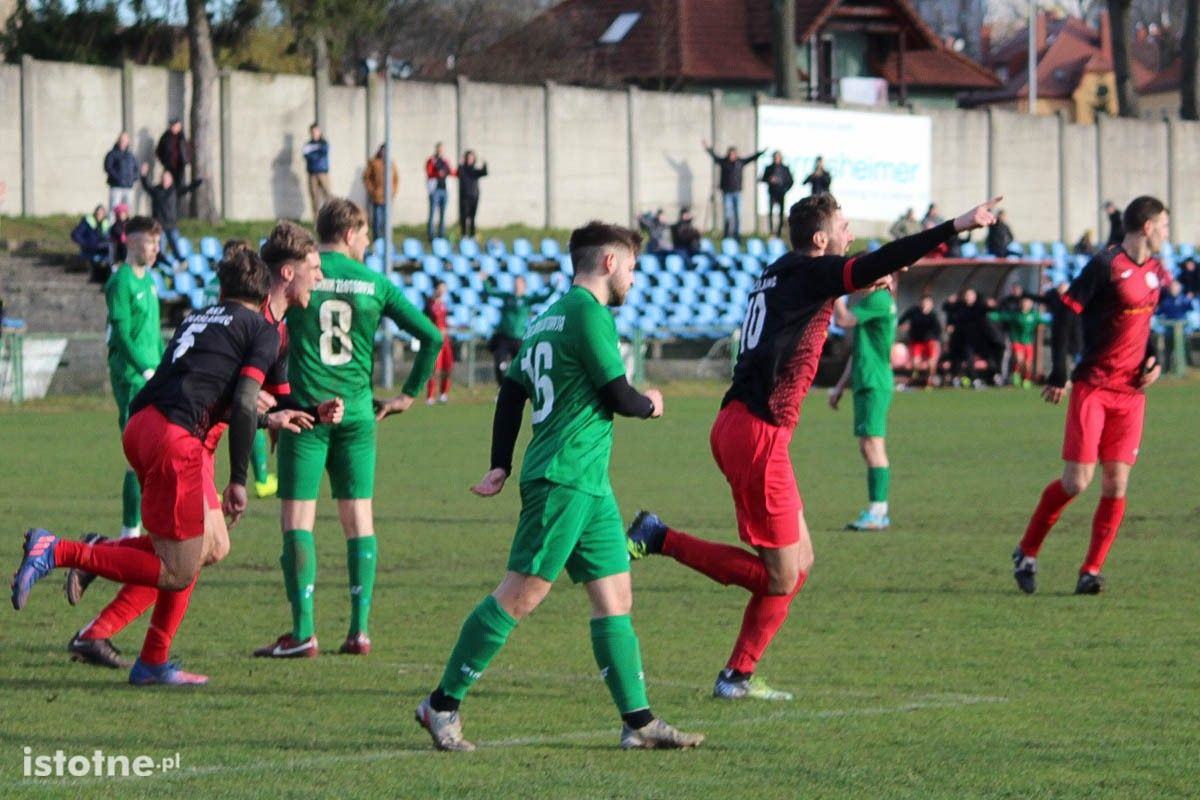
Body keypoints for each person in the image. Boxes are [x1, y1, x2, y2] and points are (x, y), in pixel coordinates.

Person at [626, 193, 999, 700]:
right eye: (844, 225)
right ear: (820, 238)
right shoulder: (811, 272)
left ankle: (737, 675)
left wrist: (875, 273)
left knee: (799, 562)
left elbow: (837, 288)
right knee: (780, 577)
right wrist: (957, 224)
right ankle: (661, 538)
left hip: (743, 426)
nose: (850, 234)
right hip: (757, 432)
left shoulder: (783, 271)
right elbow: (876, 261)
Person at [414, 221, 703, 752]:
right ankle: (441, 704)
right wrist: (652, 403)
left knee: (616, 595)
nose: (634, 281)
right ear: (610, 263)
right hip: (563, 477)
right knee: (522, 593)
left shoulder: (547, 314)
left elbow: (512, 392)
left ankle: (637, 723)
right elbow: (618, 395)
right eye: (632, 269)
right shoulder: (587, 314)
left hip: (589, 483)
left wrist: (500, 461)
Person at [12, 247, 316, 685]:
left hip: (141, 426)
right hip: (178, 440)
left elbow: (211, 387)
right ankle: (61, 551)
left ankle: (151, 656)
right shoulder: (262, 328)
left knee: (209, 548)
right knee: (175, 568)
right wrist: (238, 480)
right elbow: (245, 400)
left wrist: (282, 414)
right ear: (267, 287)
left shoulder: (199, 316)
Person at [255, 197, 443, 659]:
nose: (369, 243)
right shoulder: (374, 283)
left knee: (298, 520)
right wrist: (408, 393)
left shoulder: (305, 274)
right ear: (352, 232)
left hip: (306, 412)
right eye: (366, 235)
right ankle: (359, 631)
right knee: (358, 518)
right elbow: (433, 337)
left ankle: (304, 632)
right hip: (359, 415)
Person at [1012, 196, 1170, 596]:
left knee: (1116, 484)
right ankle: (1027, 550)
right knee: (1077, 481)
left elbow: (1143, 325)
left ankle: (1091, 570)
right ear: (1147, 227)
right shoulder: (1105, 265)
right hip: (1095, 387)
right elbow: (1066, 310)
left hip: (1131, 394)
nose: (1168, 233)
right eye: (1164, 225)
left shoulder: (1154, 271)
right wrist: (1061, 371)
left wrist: (1153, 359)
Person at [102, 215, 164, 542]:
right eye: (150, 242)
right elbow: (123, 336)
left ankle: (154, 525)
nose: (155, 248)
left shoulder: (150, 281)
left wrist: (167, 364)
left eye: (157, 242)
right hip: (132, 379)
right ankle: (128, 532)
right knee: (136, 455)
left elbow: (152, 334)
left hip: (154, 377)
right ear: (132, 241)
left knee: (158, 452)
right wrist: (146, 369)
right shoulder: (121, 281)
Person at [829, 275, 899, 530]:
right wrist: (839, 387)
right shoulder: (873, 302)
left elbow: (842, 319)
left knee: (873, 445)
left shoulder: (879, 299)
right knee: (867, 445)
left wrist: (836, 291)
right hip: (865, 380)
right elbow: (859, 352)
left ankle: (878, 511)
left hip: (874, 382)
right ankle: (877, 509)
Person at [482, 272, 557, 386]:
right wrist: (485, 281)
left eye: (519, 284)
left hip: (519, 338)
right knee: (500, 364)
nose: (517, 286)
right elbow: (491, 292)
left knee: (523, 367)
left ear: (524, 286)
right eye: (515, 283)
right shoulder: (507, 297)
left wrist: (554, 286)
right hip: (504, 338)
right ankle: (501, 388)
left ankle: (525, 390)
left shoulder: (527, 299)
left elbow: (543, 298)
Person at [703, 140, 766, 240]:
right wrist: (707, 148)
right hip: (727, 192)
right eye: (730, 153)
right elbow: (714, 156)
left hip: (737, 192)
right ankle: (727, 234)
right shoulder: (724, 162)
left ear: (736, 154)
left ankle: (737, 235)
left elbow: (752, 158)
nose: (732, 155)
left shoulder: (740, 162)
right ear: (728, 154)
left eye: (733, 154)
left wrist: (761, 152)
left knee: (738, 215)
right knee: (728, 215)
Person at [140, 163, 202, 264]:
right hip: (159, 225)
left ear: (171, 180)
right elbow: (146, 186)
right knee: (160, 248)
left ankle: (180, 263)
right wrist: (143, 175)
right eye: (163, 178)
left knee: (175, 245)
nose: (165, 180)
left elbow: (189, 187)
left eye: (167, 178)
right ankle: (158, 264)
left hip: (171, 224)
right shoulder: (156, 190)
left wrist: (200, 180)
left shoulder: (174, 191)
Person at [989, 295, 1040, 387]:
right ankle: (1016, 373)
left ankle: (1027, 379)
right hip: (1017, 341)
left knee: (1028, 364)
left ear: (1031, 304)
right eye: (1024, 302)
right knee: (1019, 359)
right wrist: (991, 315)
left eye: (1027, 303)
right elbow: (1003, 316)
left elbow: (1046, 319)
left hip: (1028, 342)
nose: (1025, 304)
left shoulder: (1034, 315)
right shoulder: (1015, 315)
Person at [898, 294, 942, 386]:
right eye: (924, 302)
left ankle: (930, 379)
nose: (925, 305)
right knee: (915, 362)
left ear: (931, 304)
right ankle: (915, 378)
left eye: (928, 303)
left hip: (929, 341)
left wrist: (934, 338)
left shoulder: (933, 315)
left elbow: (938, 330)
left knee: (931, 362)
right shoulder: (914, 311)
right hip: (917, 341)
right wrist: (902, 325)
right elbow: (901, 320)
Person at [424, 280, 454, 404]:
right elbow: (425, 320)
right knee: (435, 368)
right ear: (436, 289)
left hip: (445, 340)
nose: (442, 290)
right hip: (435, 339)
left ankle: (443, 394)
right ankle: (430, 395)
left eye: (444, 288)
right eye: (441, 288)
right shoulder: (430, 304)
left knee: (448, 367)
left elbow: (444, 321)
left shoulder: (443, 304)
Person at [362, 145, 399, 244]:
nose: (385, 153)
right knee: (377, 221)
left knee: (386, 221)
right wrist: (372, 190)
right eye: (383, 151)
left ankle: (385, 240)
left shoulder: (391, 164)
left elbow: (396, 179)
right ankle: (377, 240)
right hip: (378, 197)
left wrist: (393, 191)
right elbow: (366, 177)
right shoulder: (374, 162)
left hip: (388, 198)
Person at [1155, 279, 1192, 372]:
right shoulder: (1166, 301)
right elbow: (1157, 313)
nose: (1174, 289)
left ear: (1179, 288)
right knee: (1168, 350)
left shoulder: (1185, 300)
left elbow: (1191, 312)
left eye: (1176, 287)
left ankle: (1187, 367)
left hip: (1182, 331)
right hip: (1169, 331)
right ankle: (1167, 369)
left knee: (1184, 349)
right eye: (1172, 287)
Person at [71, 205, 112, 278]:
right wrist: (85, 243)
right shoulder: (87, 223)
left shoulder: (106, 224)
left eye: (102, 213)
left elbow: (110, 238)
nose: (99, 215)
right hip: (89, 250)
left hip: (102, 250)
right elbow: (76, 234)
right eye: (98, 213)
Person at [425, 142, 455, 241]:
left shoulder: (445, 161)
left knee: (443, 214)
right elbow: (429, 172)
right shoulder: (431, 160)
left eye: (442, 149)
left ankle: (441, 234)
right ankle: (431, 235)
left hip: (444, 190)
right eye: (439, 149)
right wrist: (438, 173)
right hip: (435, 190)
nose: (440, 151)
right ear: (436, 149)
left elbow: (452, 172)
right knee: (432, 213)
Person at [103, 131, 139, 214]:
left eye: (125, 140)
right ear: (118, 140)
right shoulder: (112, 154)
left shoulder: (130, 155)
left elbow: (136, 169)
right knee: (114, 210)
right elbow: (108, 167)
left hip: (128, 187)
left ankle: (126, 226)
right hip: (116, 186)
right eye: (122, 139)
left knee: (127, 210)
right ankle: (113, 226)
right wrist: (118, 178)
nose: (123, 142)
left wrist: (132, 179)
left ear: (128, 141)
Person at [302, 123, 331, 221]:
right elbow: (307, 156)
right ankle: (317, 221)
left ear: (319, 131)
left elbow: (323, 153)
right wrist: (315, 154)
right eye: (313, 131)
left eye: (316, 131)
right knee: (314, 198)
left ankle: (331, 218)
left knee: (328, 196)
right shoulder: (308, 145)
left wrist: (313, 155)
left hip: (323, 173)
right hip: (312, 174)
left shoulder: (324, 143)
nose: (315, 133)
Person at [761, 152, 794, 237]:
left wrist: (784, 189)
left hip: (781, 193)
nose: (776, 159)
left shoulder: (785, 169)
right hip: (772, 193)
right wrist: (769, 179)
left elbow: (790, 181)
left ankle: (779, 232)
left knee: (780, 213)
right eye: (775, 157)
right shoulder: (769, 168)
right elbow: (763, 178)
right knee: (771, 213)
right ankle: (772, 231)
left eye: (778, 157)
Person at [456, 150, 488, 239]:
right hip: (465, 197)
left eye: (472, 157)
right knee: (464, 216)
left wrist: (484, 163)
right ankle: (464, 235)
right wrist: (460, 164)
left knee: (472, 217)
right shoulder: (463, 169)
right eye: (469, 157)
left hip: (474, 196)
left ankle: (472, 234)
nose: (470, 159)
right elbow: (459, 174)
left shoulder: (474, 170)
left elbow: (484, 172)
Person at [155, 119, 190, 186]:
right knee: (168, 184)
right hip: (168, 166)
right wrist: (163, 162)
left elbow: (187, 150)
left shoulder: (182, 137)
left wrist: (186, 160)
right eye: (172, 126)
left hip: (179, 166)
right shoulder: (165, 136)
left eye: (175, 126)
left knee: (179, 185)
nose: (173, 127)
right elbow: (159, 150)